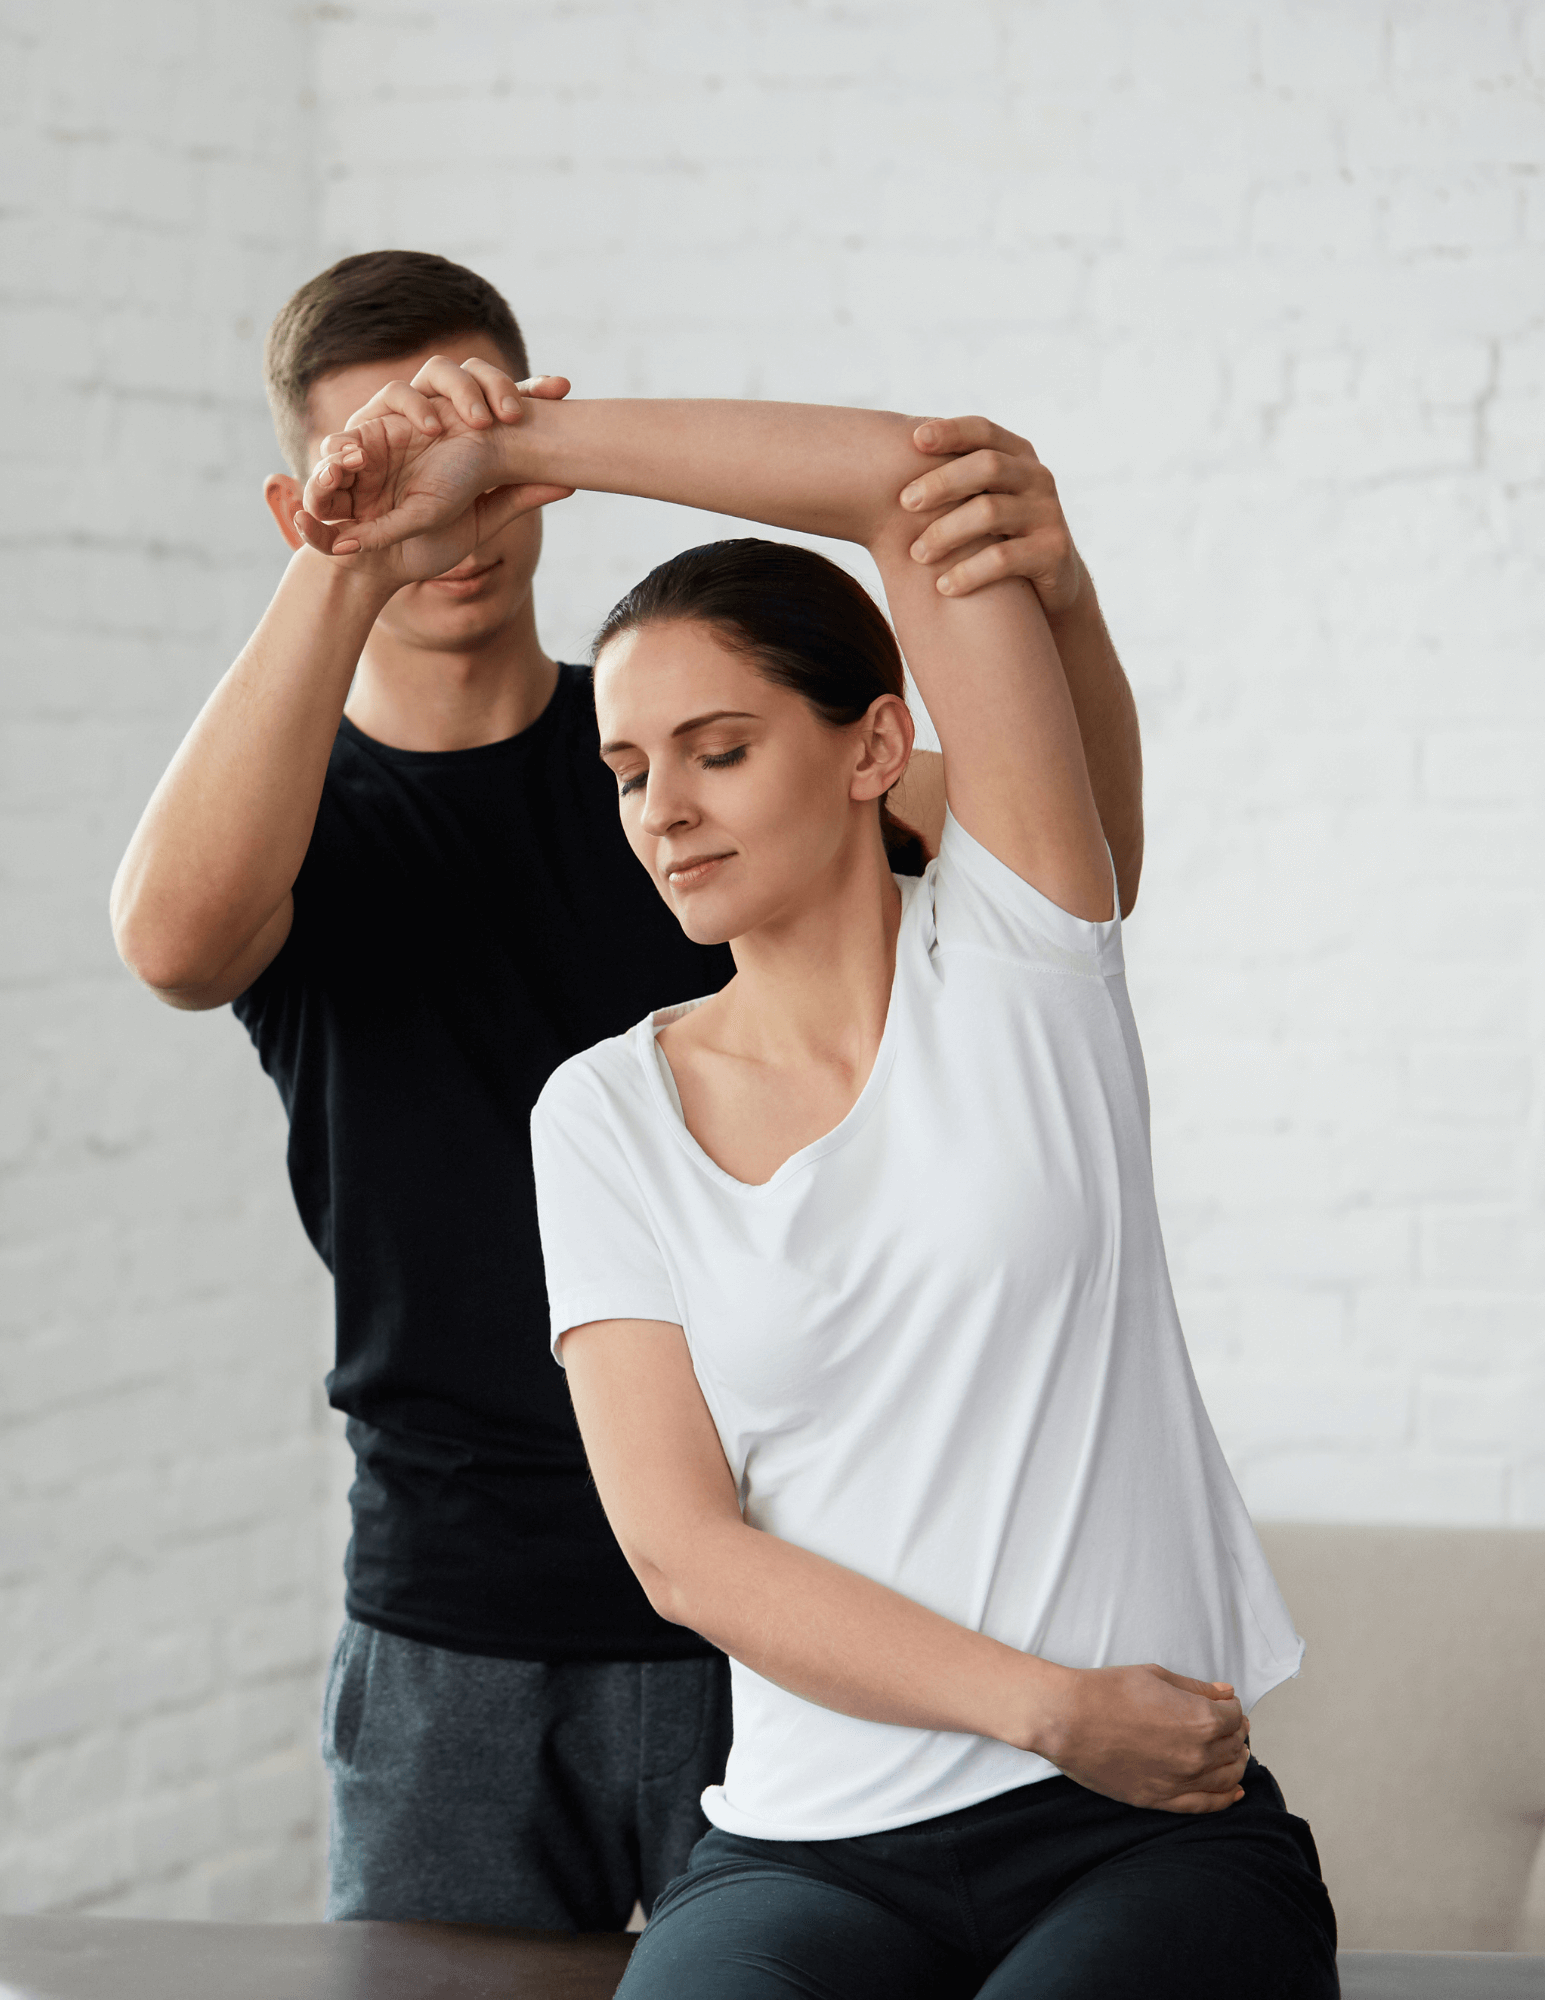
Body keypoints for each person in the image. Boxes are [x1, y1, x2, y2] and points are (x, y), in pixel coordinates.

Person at [110, 250, 1144, 1932]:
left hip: (795, 1597)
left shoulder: (697, 764)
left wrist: (1066, 611)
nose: (445, 512)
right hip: (452, 1634)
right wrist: (355, 544)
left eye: (472, 440)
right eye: (371, 456)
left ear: (537, 428)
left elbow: (1067, 867)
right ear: (301, 497)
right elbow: (169, 942)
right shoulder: (297, 811)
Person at [295, 390, 1338, 1995]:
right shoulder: (602, 1115)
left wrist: (513, 455)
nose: (666, 812)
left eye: (719, 750)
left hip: (1144, 1837)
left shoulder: (1024, 962)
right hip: (805, 1850)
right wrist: (1047, 1705)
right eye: (631, 770)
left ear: (874, 746)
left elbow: (901, 482)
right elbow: (686, 1557)